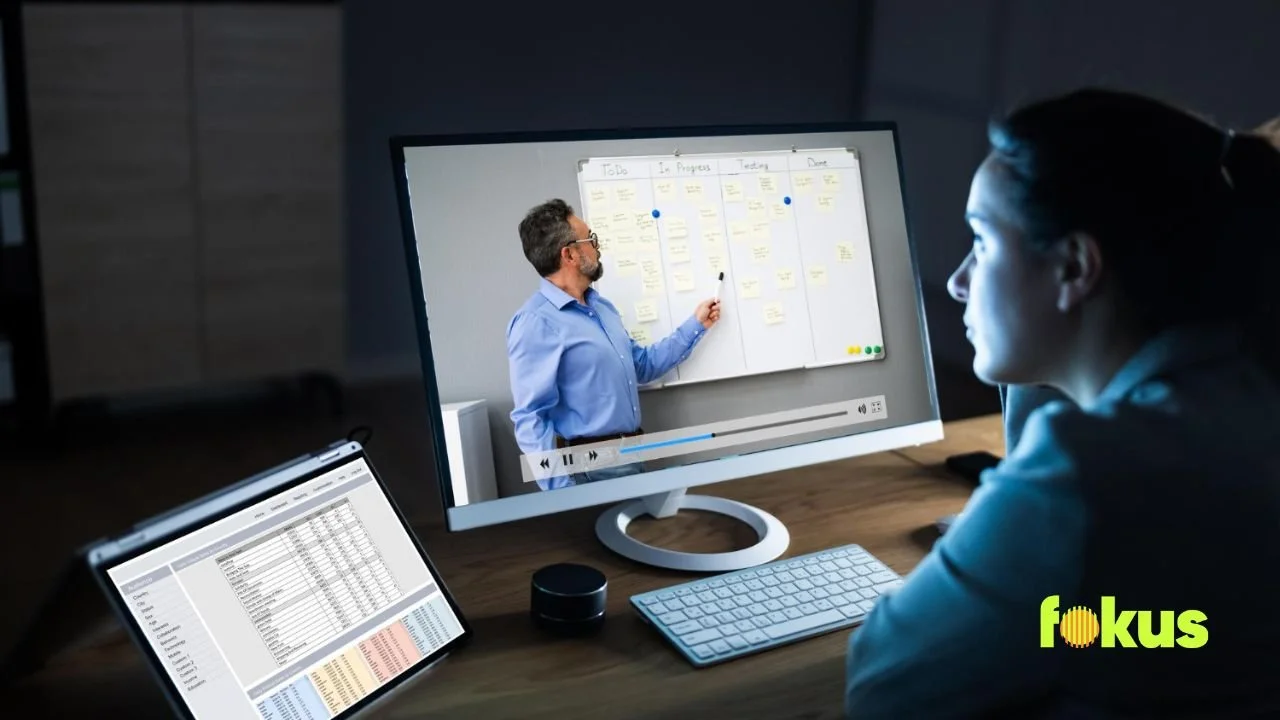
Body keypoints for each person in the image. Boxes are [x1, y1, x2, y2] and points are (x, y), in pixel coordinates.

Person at [845, 89, 1280, 718]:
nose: (958, 280)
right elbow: (1140, 621)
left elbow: (882, 688)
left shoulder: (1085, 471)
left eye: (983, 241)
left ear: (1075, 267)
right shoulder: (1247, 397)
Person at [507, 199, 721, 491]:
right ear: (569, 254)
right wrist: (561, 494)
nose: (597, 246)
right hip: (590, 472)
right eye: (590, 239)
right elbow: (530, 416)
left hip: (634, 458)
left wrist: (696, 325)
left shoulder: (602, 307)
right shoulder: (535, 322)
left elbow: (641, 366)